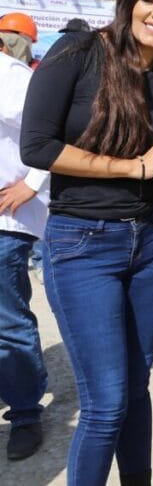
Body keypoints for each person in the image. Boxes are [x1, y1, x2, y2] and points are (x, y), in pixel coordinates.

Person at [20, 0, 153, 485]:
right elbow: (37, 146)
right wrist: (133, 166)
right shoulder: (78, 52)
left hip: (151, 240)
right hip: (83, 243)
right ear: (129, 1)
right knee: (105, 402)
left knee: (136, 389)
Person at [0, 50, 48, 461]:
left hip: (4, 221)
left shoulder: (9, 75)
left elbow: (52, 130)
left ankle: (25, 414)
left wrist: (32, 183)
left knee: (7, 323)